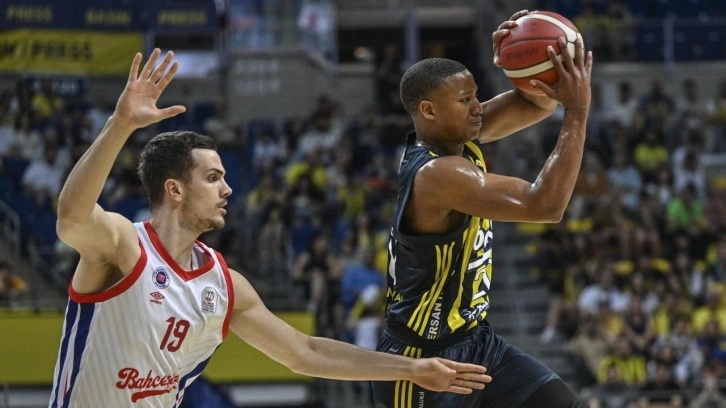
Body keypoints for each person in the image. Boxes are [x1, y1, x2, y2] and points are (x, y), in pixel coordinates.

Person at [49, 49, 492, 407]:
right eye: (212, 178)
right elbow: (72, 217)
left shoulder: (224, 284)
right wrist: (120, 125)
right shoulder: (124, 247)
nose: (227, 189)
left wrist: (411, 369)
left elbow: (305, 352)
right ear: (175, 189)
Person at [372, 9, 593, 408]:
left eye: (476, 95)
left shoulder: (458, 136)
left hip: (478, 343)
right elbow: (545, 205)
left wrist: (516, 63)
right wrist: (577, 112)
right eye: (465, 100)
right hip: (421, 360)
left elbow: (537, 105)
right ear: (429, 111)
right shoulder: (437, 173)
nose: (478, 107)